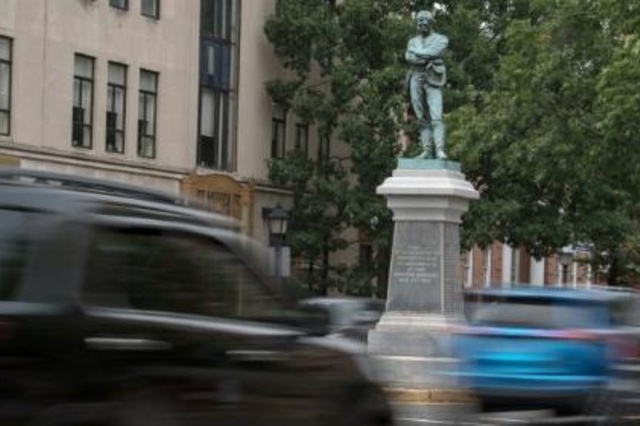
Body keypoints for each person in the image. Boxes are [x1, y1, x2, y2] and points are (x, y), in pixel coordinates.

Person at [405, 10, 448, 159]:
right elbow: (409, 57)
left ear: (431, 23)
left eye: (424, 21)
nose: (421, 24)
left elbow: (433, 53)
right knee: (421, 117)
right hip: (416, 77)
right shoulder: (412, 41)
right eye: (419, 21)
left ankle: (440, 149)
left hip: (433, 78)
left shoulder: (441, 39)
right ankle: (427, 150)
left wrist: (418, 52)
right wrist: (423, 55)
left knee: (436, 116)